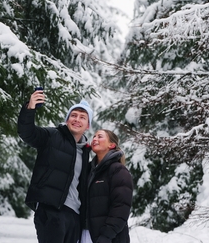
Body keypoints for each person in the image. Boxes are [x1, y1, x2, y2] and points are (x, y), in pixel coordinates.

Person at [17, 88, 93, 243]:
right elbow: (27, 133)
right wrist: (29, 108)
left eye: (82, 117)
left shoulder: (86, 151)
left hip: (74, 215)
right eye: (73, 115)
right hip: (51, 210)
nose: (77, 119)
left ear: (88, 125)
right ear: (67, 120)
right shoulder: (52, 136)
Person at [81, 129, 133, 243]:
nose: (95, 139)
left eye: (100, 136)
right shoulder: (89, 170)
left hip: (109, 238)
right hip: (85, 235)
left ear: (112, 145)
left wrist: (106, 237)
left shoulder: (118, 170)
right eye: (94, 136)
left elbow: (121, 208)